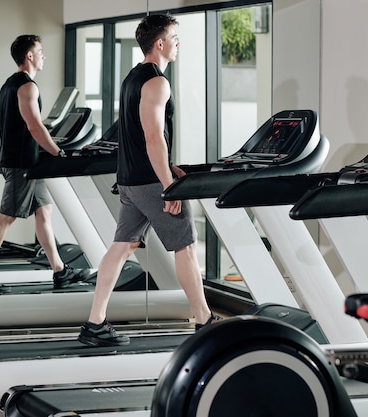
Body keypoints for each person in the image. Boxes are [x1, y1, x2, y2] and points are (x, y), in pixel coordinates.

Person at [77, 14, 217, 347]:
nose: (178, 43)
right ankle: (205, 320)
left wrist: (169, 166)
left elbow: (142, 137)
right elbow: (153, 136)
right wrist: (169, 183)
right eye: (175, 37)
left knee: (122, 246)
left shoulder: (133, 78)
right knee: (185, 245)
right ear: (160, 43)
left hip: (129, 179)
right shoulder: (157, 82)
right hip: (150, 183)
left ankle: (94, 323)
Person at [0, 34, 87, 294]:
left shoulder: (10, 84)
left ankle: (60, 271)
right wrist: (57, 152)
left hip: (28, 163)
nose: (44, 56)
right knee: (6, 217)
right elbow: (34, 126)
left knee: (44, 212)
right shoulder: (27, 86)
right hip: (23, 165)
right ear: (29, 56)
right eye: (40, 51)